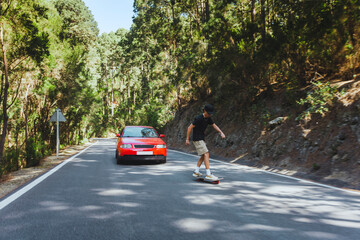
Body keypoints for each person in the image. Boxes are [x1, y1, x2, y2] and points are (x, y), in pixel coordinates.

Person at [186, 104, 226, 181]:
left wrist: (221, 132)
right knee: (206, 153)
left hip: (201, 138)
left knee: (204, 155)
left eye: (211, 113)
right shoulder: (198, 118)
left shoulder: (208, 118)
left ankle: (196, 171)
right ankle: (208, 174)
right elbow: (189, 127)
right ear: (204, 111)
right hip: (197, 139)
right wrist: (187, 139)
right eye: (208, 113)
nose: (210, 115)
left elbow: (214, 126)